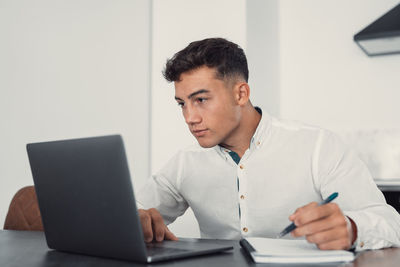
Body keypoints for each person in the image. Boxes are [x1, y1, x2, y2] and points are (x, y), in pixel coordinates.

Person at [136, 38, 400, 251]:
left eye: (201, 100)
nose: (189, 118)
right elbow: (133, 213)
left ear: (241, 94)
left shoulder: (318, 145)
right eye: (182, 104)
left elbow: (391, 223)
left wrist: (352, 228)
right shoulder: (185, 162)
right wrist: (135, 220)